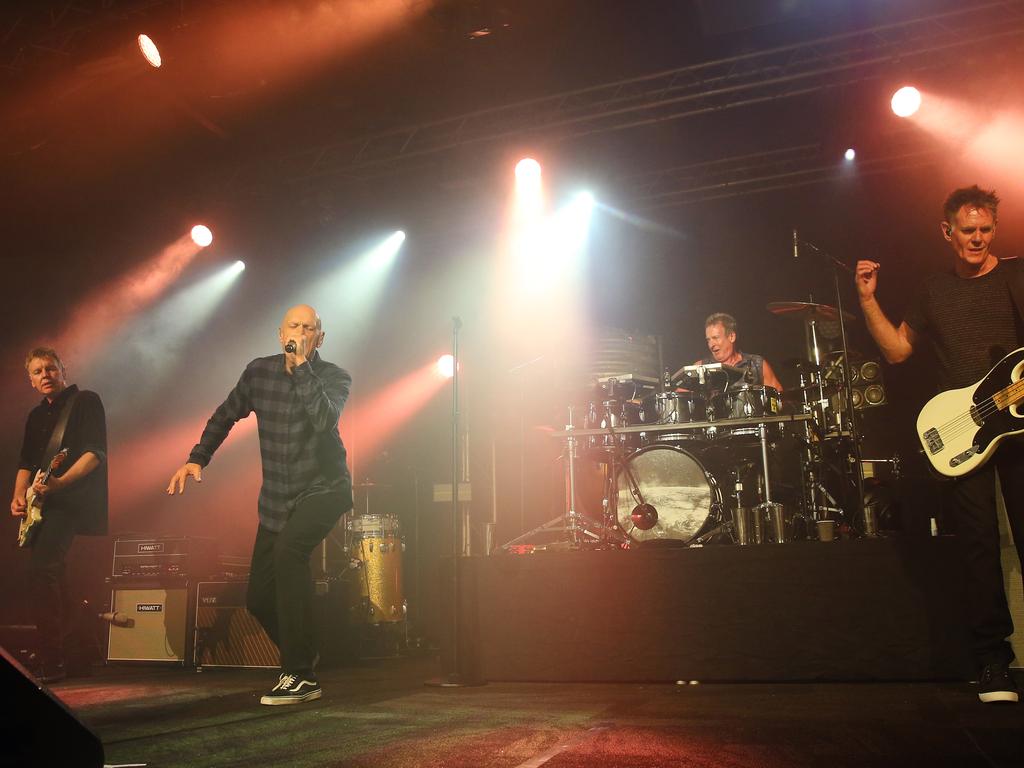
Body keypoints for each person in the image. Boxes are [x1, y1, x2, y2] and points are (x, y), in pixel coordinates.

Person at [856, 184, 1022, 704]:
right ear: (946, 232)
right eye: (967, 230)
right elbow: (899, 350)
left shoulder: (1018, 275)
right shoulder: (933, 290)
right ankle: (993, 663)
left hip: (1020, 422)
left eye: (986, 230)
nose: (977, 239)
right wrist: (867, 299)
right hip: (966, 429)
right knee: (977, 548)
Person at [166, 304, 353, 706]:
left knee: (290, 553)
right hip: (277, 498)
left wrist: (302, 367)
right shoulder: (258, 372)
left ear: (320, 337)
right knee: (259, 598)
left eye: (309, 328)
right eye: (293, 325)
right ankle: (303, 651)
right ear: (279, 331)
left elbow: (324, 420)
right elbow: (225, 414)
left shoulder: (335, 377)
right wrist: (198, 457)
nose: (300, 331)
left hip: (325, 489)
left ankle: (300, 674)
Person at [10, 347, 108, 683]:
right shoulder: (36, 416)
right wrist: (17, 496)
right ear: (31, 381)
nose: (45, 376)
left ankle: (53, 659)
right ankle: (78, 648)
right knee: (54, 578)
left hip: (71, 501)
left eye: (50, 369)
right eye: (37, 372)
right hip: (40, 506)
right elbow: (26, 461)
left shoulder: (85, 402)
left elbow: (95, 454)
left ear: (62, 370)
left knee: (42, 571)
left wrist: (61, 482)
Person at [697, 312, 784, 392]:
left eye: (715, 338)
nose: (711, 344)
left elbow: (779, 396)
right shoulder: (701, 368)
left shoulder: (757, 364)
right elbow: (683, 400)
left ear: (731, 337)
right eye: (708, 340)